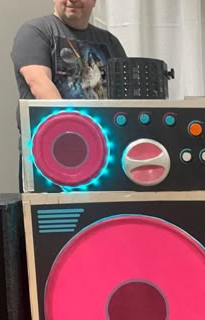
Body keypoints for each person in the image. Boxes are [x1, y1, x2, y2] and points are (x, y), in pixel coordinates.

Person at [11, 0, 127, 189]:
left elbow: (125, 96)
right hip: (50, 157)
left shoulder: (110, 42)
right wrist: (76, 134)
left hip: (107, 157)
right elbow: (39, 83)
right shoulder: (36, 31)